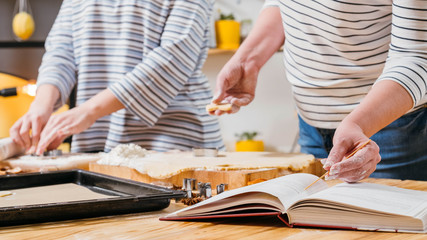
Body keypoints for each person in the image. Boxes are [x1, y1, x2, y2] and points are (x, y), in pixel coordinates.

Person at [210, 0, 426, 182]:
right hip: (309, 122)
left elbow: (417, 56)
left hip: (390, 129)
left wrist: (359, 124)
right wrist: (248, 60)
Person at [10, 0, 224, 155]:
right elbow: (62, 48)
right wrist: (41, 104)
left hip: (174, 142)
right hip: (98, 142)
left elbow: (173, 57)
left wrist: (89, 111)